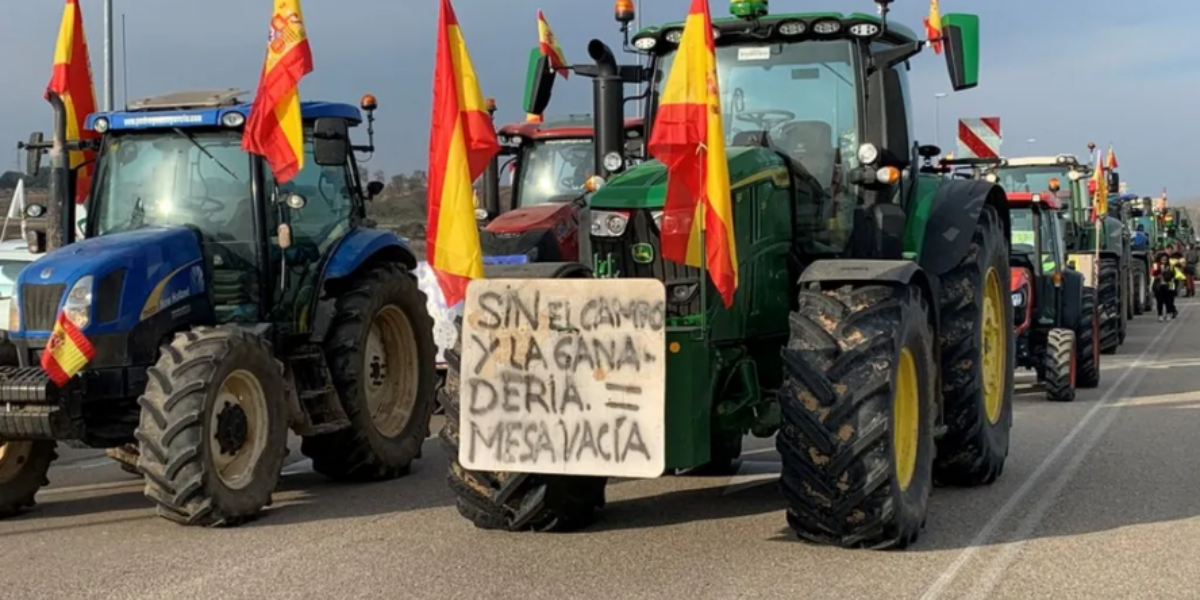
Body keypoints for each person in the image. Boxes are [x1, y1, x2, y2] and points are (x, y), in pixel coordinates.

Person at [1152, 254, 1184, 321]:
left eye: (1165, 259)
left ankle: (1168, 314)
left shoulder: (1171, 266)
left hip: (1170, 284)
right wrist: (1159, 271)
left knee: (1169, 301)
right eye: (1162, 259)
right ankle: (1160, 315)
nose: (1164, 260)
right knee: (1159, 301)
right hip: (1159, 285)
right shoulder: (1156, 265)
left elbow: (1175, 275)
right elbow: (1153, 273)